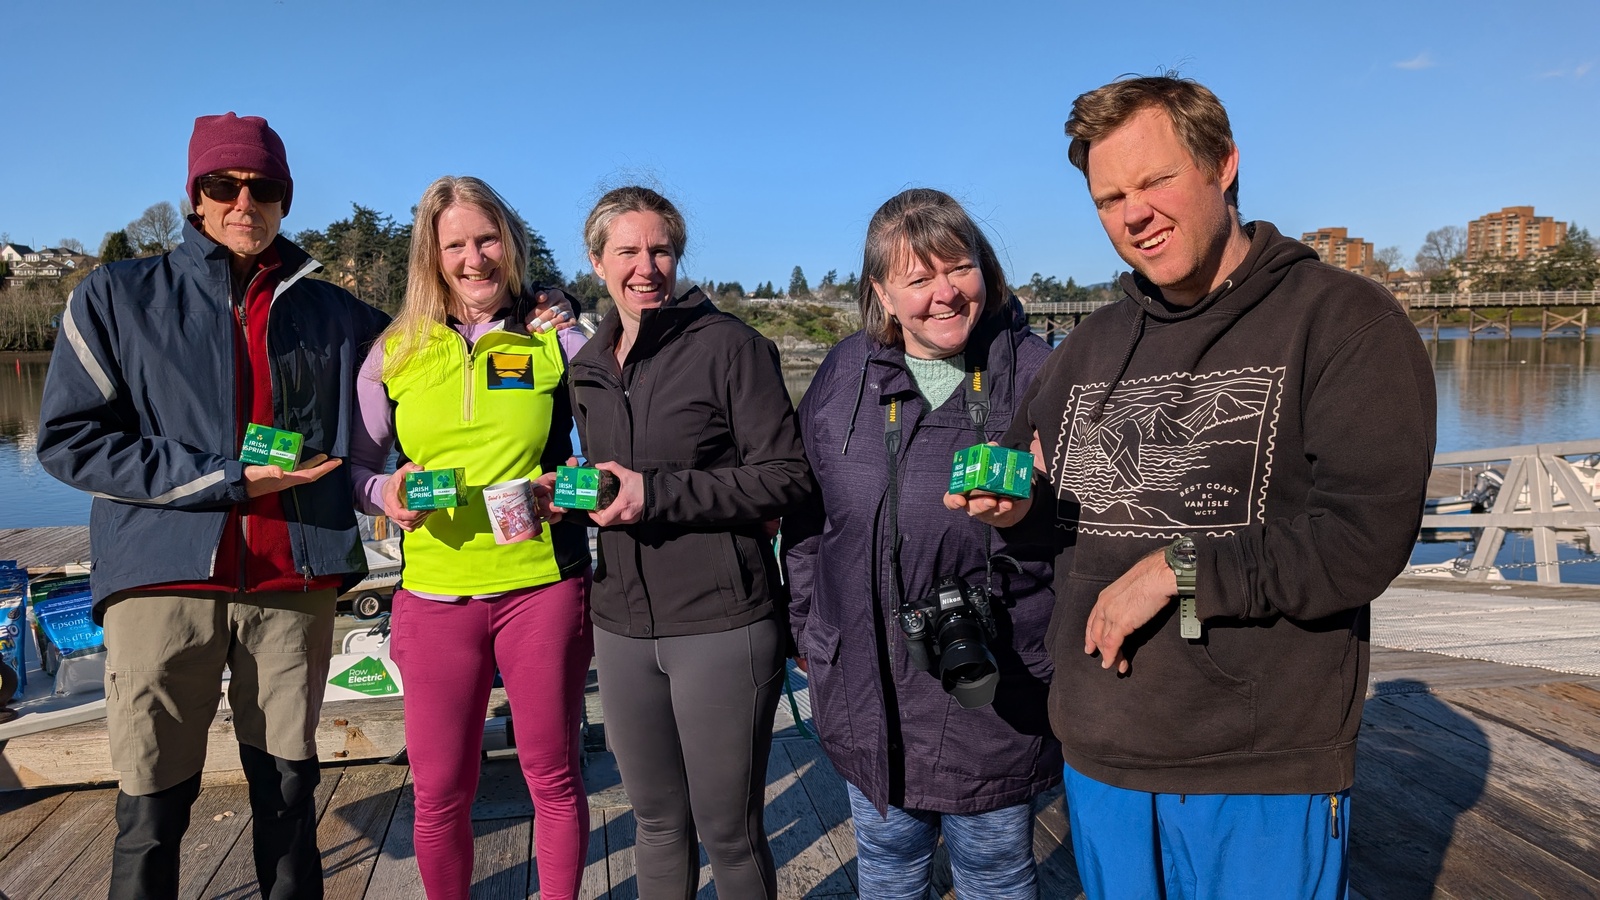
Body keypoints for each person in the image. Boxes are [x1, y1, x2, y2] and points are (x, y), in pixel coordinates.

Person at [964, 75, 1437, 898]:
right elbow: (1049, 526)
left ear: (1222, 164)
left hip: (1258, 768)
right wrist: (1015, 510)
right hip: (1103, 757)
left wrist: (1176, 571)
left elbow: (1362, 541)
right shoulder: (1086, 349)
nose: (1134, 214)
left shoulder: (1344, 321)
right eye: (1110, 198)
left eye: (1156, 181)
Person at [36, 113, 390, 900]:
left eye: (263, 187)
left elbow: (443, 349)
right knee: (152, 810)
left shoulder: (338, 314)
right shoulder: (116, 295)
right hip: (162, 583)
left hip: (293, 583)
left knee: (289, 799)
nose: (243, 202)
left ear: (285, 199)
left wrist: (540, 305)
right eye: (222, 185)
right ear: (193, 196)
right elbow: (69, 441)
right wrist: (226, 478)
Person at [783, 188, 1060, 899]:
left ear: (985, 268)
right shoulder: (843, 375)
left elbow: (1087, 531)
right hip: (866, 684)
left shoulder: (1038, 374)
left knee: (995, 873)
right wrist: (808, 629)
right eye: (918, 277)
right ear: (881, 292)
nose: (945, 293)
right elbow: (807, 521)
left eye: (959, 268)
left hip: (993, 687)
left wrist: (1033, 509)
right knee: (887, 868)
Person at [543, 186, 811, 899]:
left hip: (722, 624)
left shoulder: (732, 347)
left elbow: (787, 478)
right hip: (621, 627)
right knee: (656, 824)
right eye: (627, 251)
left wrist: (656, 493)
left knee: (729, 832)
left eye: (661, 250)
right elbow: (607, 481)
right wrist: (568, 495)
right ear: (596, 261)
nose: (646, 267)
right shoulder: (587, 364)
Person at [349, 175, 593, 900]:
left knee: (554, 776)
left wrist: (572, 487)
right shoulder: (394, 350)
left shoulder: (555, 336)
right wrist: (386, 495)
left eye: (487, 239)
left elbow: (614, 449)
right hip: (434, 598)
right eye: (454, 244)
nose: (474, 258)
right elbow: (356, 468)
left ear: (510, 243)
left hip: (541, 591)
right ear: (431, 255)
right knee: (438, 791)